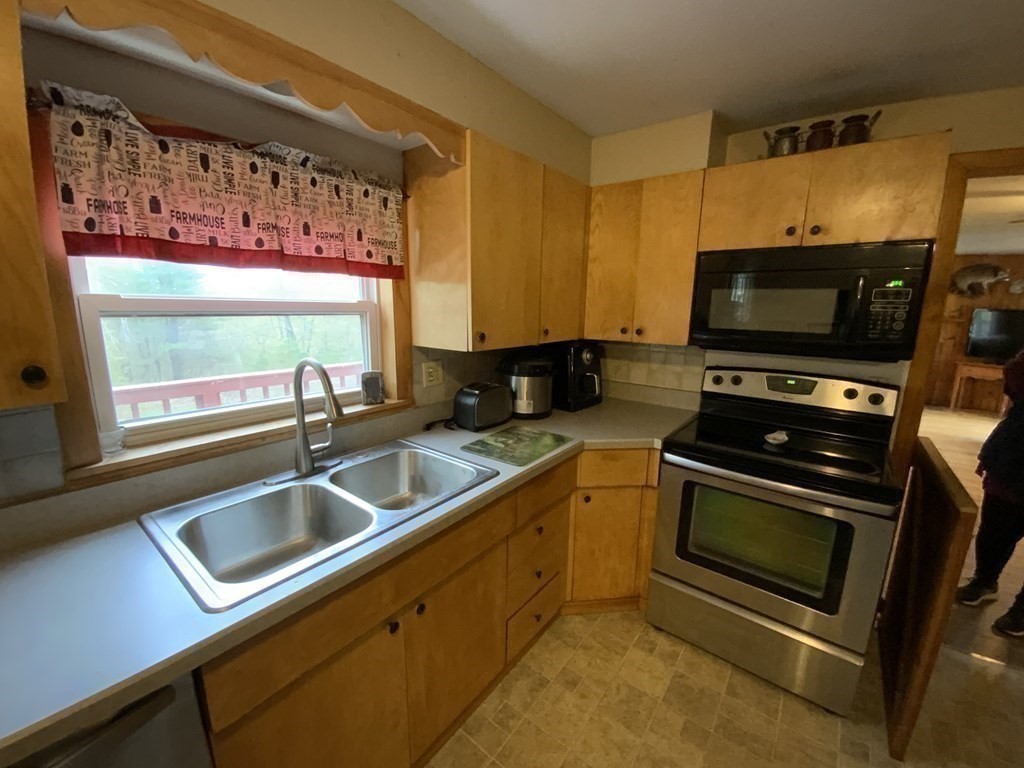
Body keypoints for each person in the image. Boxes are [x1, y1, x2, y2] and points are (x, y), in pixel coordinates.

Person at [955, 348, 1024, 637]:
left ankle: (1022, 613)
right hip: (1013, 458)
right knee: (995, 529)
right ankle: (984, 581)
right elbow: (1014, 375)